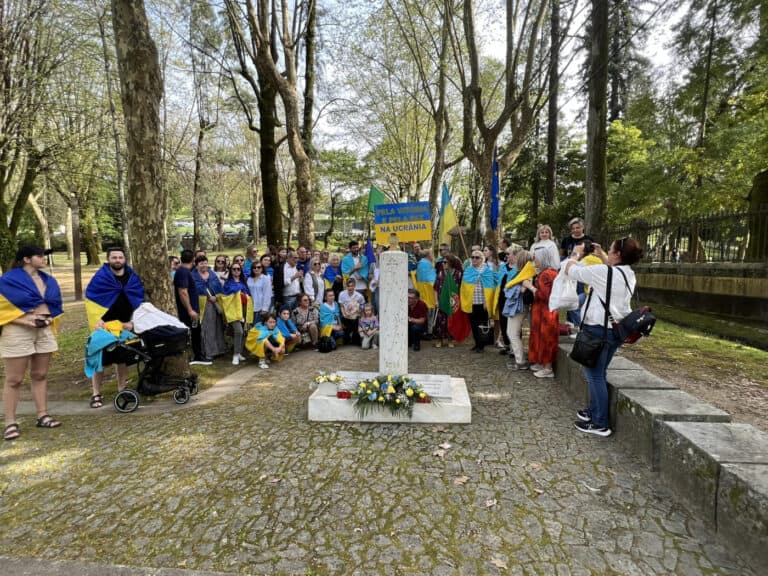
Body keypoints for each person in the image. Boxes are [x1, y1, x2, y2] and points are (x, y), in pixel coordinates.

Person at [565, 237, 642, 436]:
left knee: (594, 375)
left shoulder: (603, 273)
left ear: (617, 254)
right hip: (615, 330)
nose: (607, 252)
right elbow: (611, 269)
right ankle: (593, 411)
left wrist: (576, 253)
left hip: (598, 330)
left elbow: (571, 271)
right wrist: (601, 254)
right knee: (600, 373)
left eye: (610, 249)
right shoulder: (629, 274)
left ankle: (600, 423)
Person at [0, 245, 63, 440]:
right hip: (18, 330)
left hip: (43, 329)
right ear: (26, 259)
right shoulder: (9, 280)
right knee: (14, 379)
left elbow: (54, 305)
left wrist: (49, 318)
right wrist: (25, 320)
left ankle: (42, 415)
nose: (44, 258)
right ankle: (10, 422)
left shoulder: (48, 280)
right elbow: (2, 308)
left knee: (40, 374)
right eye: (39, 255)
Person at [84, 247, 145, 408]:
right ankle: (96, 393)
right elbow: (91, 299)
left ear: (124, 259)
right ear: (108, 259)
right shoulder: (101, 277)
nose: (117, 260)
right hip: (104, 326)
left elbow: (139, 300)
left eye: (120, 257)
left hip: (124, 325)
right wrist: (97, 320)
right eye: (114, 258)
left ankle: (122, 389)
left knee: (121, 359)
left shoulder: (132, 277)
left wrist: (133, 322)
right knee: (99, 359)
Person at [522, 245, 560, 378]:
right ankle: (542, 363)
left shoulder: (546, 274)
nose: (534, 261)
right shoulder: (550, 272)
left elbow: (545, 295)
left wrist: (530, 287)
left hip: (545, 312)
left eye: (536, 258)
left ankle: (548, 368)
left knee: (546, 338)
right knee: (540, 337)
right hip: (544, 311)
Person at [174, 249, 210, 365]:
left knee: (196, 332)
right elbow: (183, 292)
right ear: (194, 260)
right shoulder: (183, 272)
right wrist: (190, 310)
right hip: (187, 311)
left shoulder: (185, 271)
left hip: (192, 309)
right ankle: (196, 356)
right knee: (193, 333)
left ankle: (197, 355)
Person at [192, 255, 227, 361]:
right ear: (196, 265)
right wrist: (207, 297)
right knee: (207, 328)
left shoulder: (211, 274)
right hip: (203, 305)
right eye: (201, 263)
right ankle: (209, 352)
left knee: (218, 326)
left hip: (216, 303)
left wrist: (216, 296)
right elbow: (193, 290)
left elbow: (218, 287)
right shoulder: (193, 276)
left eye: (205, 263)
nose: (204, 265)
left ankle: (220, 350)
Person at [460, 250, 495, 353]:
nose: (474, 259)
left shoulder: (487, 270)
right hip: (472, 301)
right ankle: (477, 343)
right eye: (473, 257)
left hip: (482, 302)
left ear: (482, 259)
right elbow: (464, 286)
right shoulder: (468, 270)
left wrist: (486, 301)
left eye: (477, 257)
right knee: (473, 324)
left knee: (482, 324)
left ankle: (482, 345)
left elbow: (490, 287)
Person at [502, 250, 532, 370]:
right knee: (512, 332)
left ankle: (520, 361)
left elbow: (521, 290)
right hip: (517, 305)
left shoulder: (525, 273)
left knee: (512, 333)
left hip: (518, 306)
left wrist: (512, 288)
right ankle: (520, 360)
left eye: (517, 258)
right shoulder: (524, 272)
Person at [221, 263, 253, 365]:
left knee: (243, 331)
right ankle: (235, 355)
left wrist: (243, 294)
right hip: (234, 310)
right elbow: (225, 297)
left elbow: (248, 294)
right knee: (238, 331)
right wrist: (237, 291)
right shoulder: (228, 283)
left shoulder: (244, 282)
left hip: (244, 309)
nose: (236, 271)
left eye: (238, 269)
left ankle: (239, 353)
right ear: (231, 271)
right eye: (234, 269)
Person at [493, 246, 519, 355]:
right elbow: (499, 281)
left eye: (508, 254)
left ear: (515, 255)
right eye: (506, 254)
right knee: (503, 322)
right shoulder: (503, 267)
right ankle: (507, 345)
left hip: (513, 299)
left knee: (513, 324)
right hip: (502, 298)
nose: (506, 256)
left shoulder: (519, 268)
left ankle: (515, 348)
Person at [433, 254, 463, 348]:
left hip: (453, 301)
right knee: (440, 321)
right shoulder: (440, 273)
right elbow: (435, 288)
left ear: (451, 263)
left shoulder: (458, 274)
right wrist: (436, 301)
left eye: (445, 262)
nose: (443, 264)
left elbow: (462, 288)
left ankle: (450, 339)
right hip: (442, 301)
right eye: (443, 262)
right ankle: (439, 339)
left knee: (451, 320)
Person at [339, 278, 365, 345]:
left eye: (352, 286)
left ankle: (355, 338)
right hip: (346, 316)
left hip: (355, 316)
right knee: (346, 338)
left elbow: (362, 306)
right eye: (348, 286)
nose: (350, 288)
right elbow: (341, 306)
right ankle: (347, 337)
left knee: (356, 340)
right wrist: (344, 314)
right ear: (346, 286)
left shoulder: (359, 296)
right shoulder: (342, 294)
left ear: (354, 286)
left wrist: (359, 311)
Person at [247, 259, 272, 325]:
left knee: (258, 326)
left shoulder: (265, 279)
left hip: (260, 307)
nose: (256, 269)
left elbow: (267, 294)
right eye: (254, 267)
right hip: (250, 306)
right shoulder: (249, 278)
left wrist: (265, 308)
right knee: (251, 326)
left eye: (258, 267)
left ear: (262, 268)